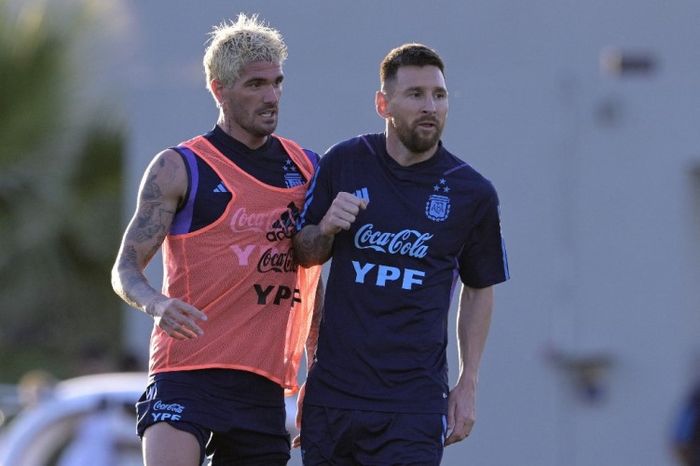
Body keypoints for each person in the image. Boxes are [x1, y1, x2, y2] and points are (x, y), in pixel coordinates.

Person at [111, 13, 321, 466]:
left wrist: (317, 378)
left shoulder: (308, 168)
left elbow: (316, 285)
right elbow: (125, 268)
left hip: (263, 386)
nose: (271, 96)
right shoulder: (180, 166)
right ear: (218, 88)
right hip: (186, 371)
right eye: (255, 85)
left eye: (277, 82)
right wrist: (157, 303)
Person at [293, 43, 509, 465]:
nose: (430, 106)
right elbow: (304, 256)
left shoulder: (471, 192)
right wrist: (326, 228)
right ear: (383, 103)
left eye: (439, 95)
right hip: (333, 398)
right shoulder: (345, 161)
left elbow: (480, 287)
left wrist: (468, 383)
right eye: (415, 94)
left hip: (413, 404)